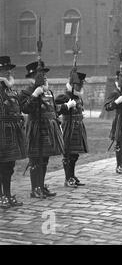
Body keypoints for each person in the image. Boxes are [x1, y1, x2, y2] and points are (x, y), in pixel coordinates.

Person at [21, 61, 64, 199]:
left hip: (48, 128)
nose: (44, 76)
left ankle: (42, 185)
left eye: (45, 74)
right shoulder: (27, 92)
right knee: (35, 159)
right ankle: (35, 188)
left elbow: (52, 109)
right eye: (41, 74)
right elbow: (26, 109)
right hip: (35, 128)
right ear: (33, 75)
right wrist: (34, 95)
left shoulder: (48, 91)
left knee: (44, 158)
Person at [0, 56, 26, 208]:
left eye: (9, 69)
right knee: (2, 164)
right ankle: (1, 196)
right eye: (5, 69)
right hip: (2, 130)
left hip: (12, 130)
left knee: (9, 166)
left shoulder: (11, 90)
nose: (9, 72)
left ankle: (8, 194)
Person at [55, 71, 88, 188]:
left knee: (74, 154)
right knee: (68, 154)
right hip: (69, 127)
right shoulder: (65, 96)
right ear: (73, 84)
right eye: (79, 84)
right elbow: (56, 109)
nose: (81, 86)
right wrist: (67, 106)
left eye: (81, 84)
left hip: (77, 126)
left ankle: (72, 176)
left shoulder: (77, 96)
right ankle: (67, 178)